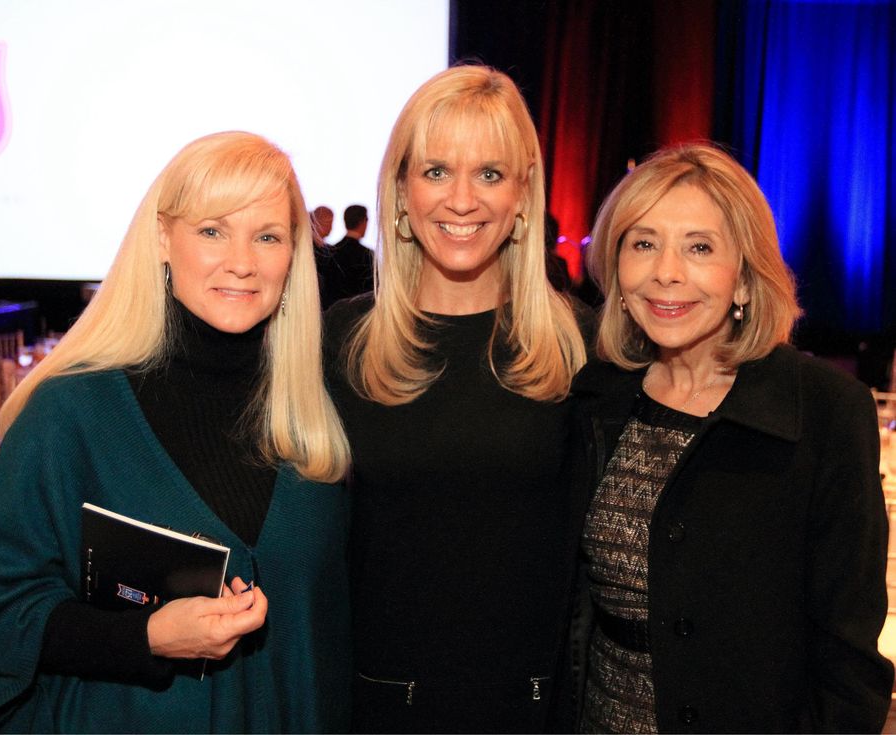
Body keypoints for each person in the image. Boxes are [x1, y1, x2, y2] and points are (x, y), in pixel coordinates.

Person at [0, 132, 353, 733]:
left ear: (293, 255)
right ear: (163, 238)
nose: (241, 261)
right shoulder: (71, 415)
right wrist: (147, 637)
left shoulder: (320, 418)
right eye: (212, 230)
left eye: (267, 236)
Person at [563, 143, 893, 732]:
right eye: (643, 243)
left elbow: (849, 653)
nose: (666, 271)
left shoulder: (823, 411)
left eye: (699, 247)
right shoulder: (596, 396)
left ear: (744, 277)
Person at [324, 65, 591, 733]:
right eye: (437, 171)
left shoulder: (581, 346)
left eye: (491, 174)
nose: (462, 200)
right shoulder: (338, 341)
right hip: (377, 707)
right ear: (402, 190)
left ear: (524, 193)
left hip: (534, 708)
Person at [320, 204, 374, 309]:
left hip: (332, 314)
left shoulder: (331, 253)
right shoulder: (368, 255)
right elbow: (372, 293)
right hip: (359, 314)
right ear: (363, 221)